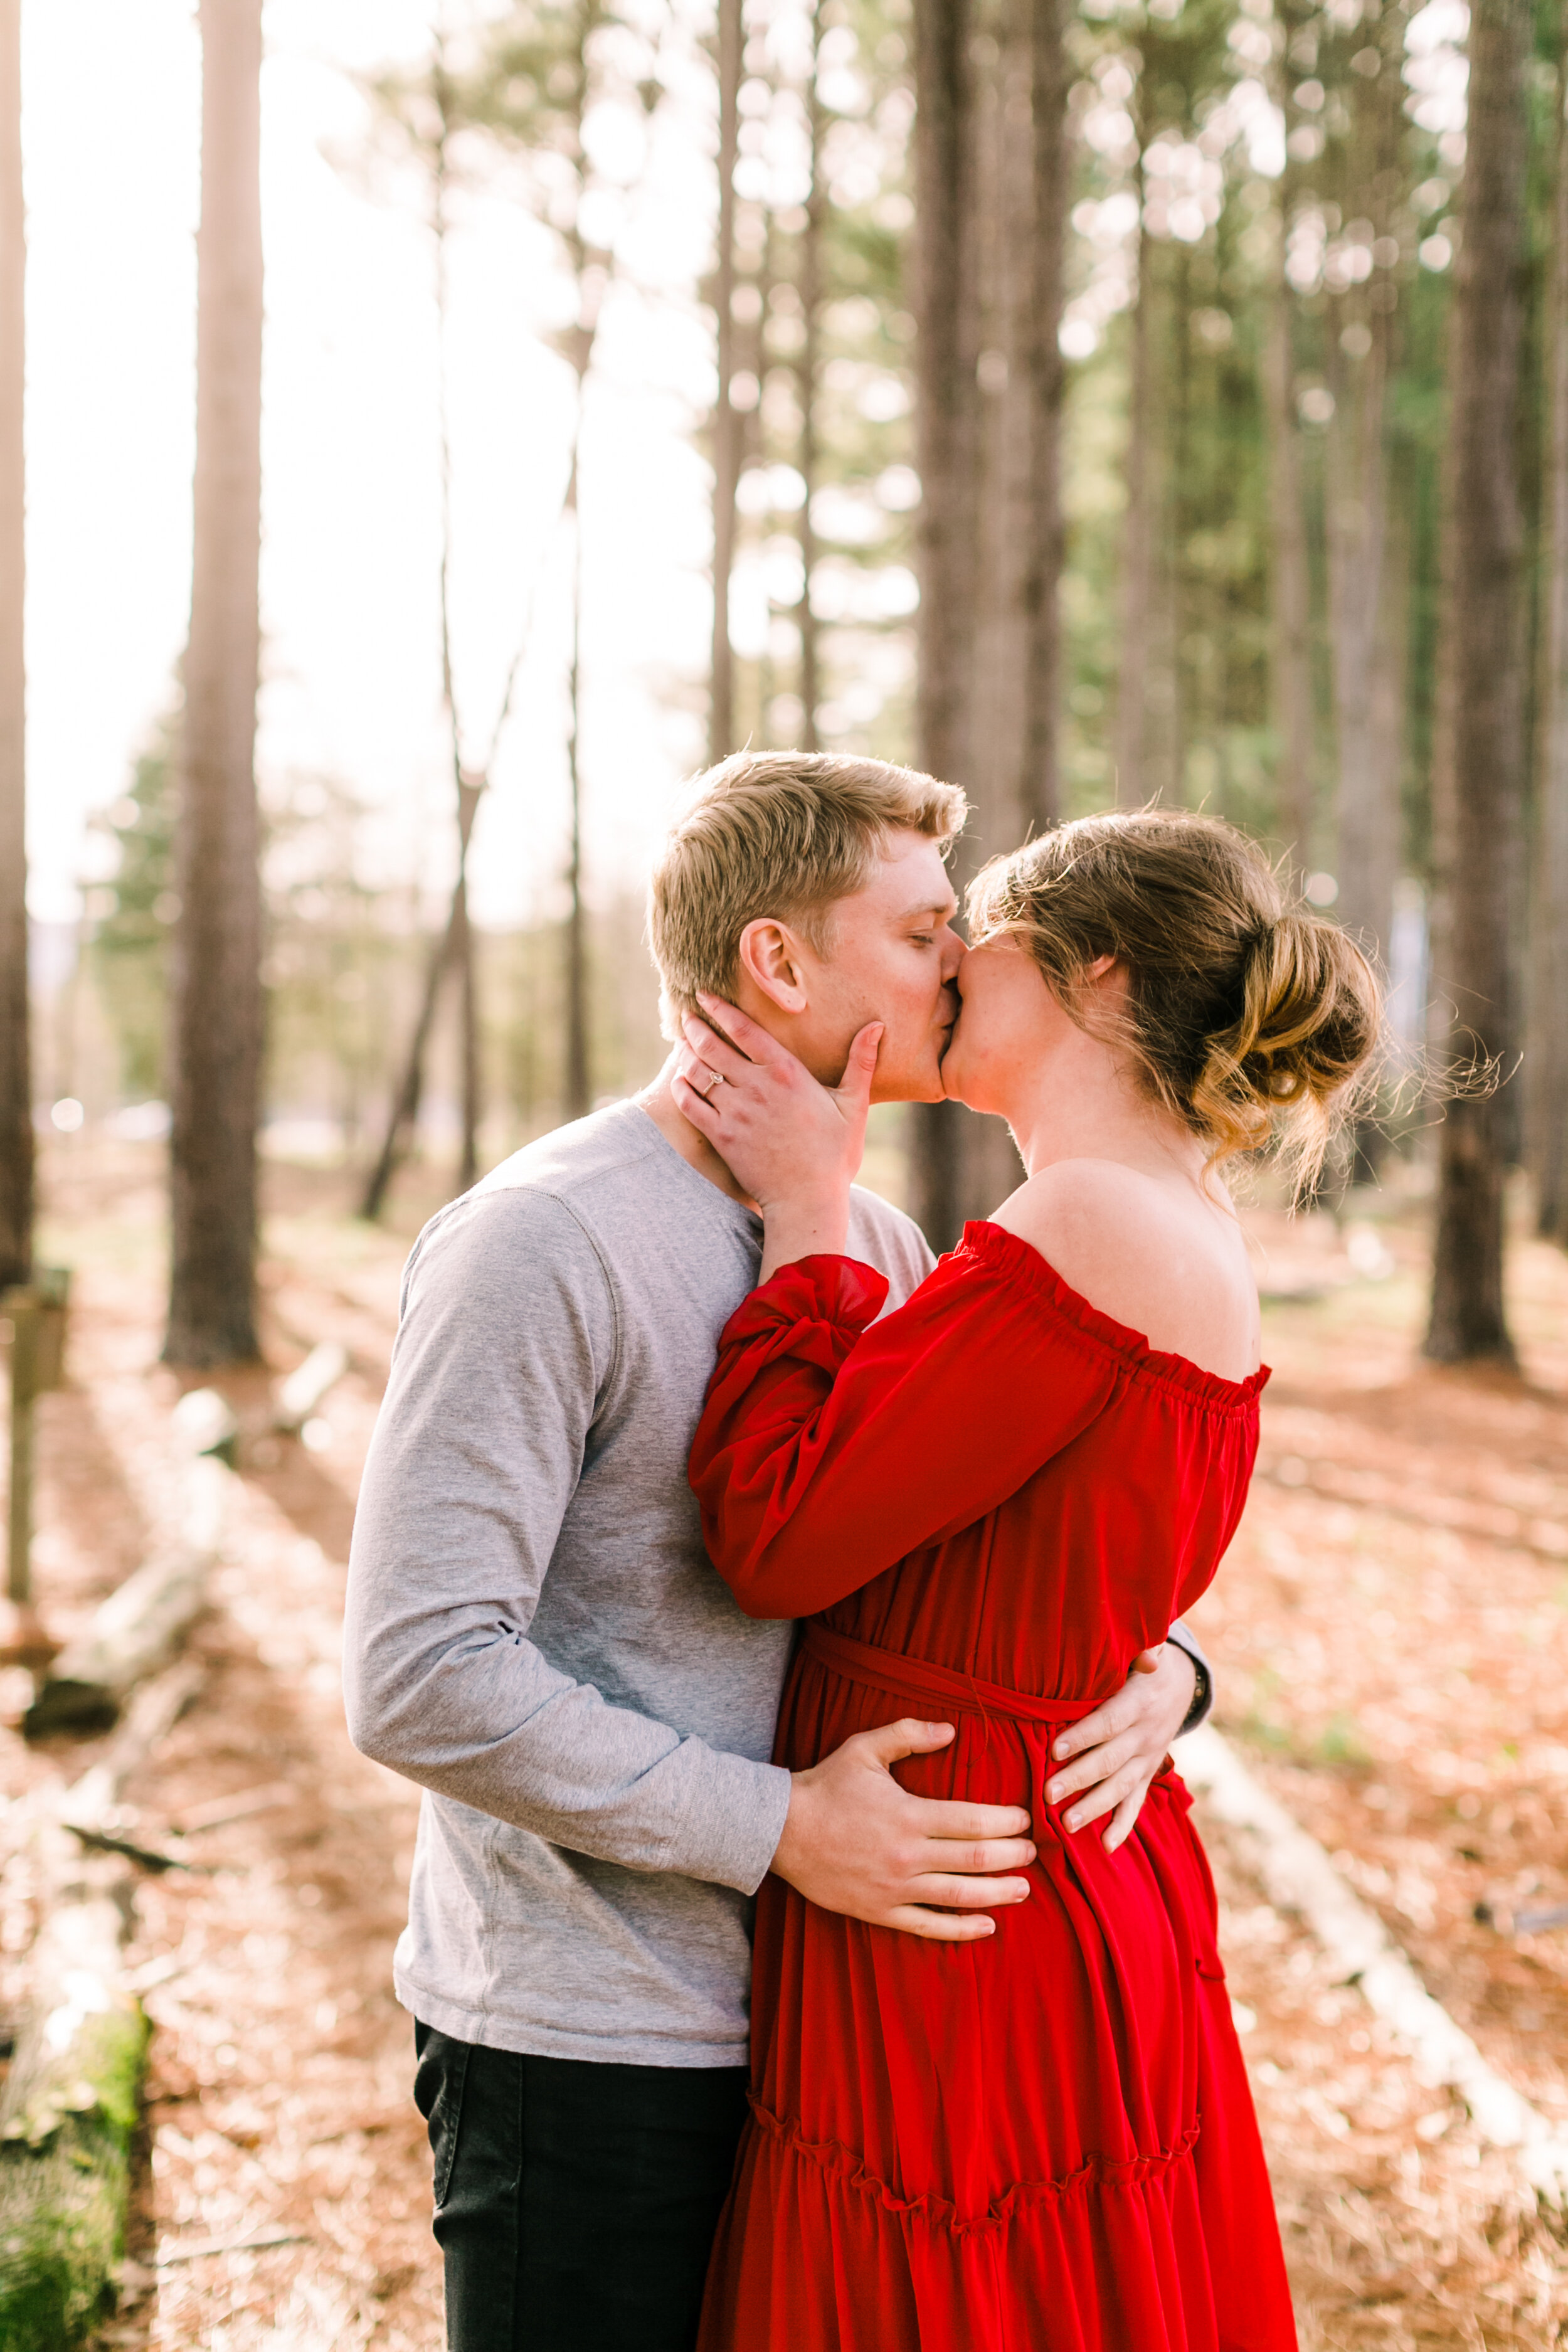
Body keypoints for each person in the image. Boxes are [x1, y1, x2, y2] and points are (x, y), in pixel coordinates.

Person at [344, 756, 1216, 2352]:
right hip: (593, 2040)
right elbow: (418, 1673)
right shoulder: (541, 1239)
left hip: (841, 2036)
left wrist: (1164, 1670)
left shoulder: (869, 1243)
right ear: (777, 962)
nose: (961, 964)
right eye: (921, 932)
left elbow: (976, 1558)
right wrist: (779, 1828)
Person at [675, 808, 1380, 2352]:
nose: (943, 966)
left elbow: (776, 1534)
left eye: (967, 932)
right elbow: (1086, 1552)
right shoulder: (1172, 1215)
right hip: (1040, 1843)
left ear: (1092, 971)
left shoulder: (1076, 1221)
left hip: (960, 1888)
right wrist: (1175, 1667)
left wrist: (807, 1217)